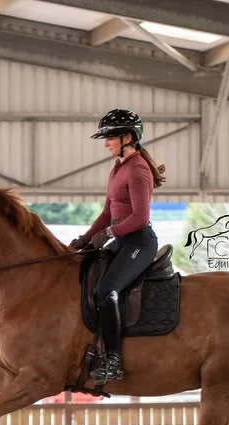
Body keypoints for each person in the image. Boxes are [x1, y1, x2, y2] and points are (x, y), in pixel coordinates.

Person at [69, 108, 166, 384]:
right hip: (121, 240)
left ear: (127, 137)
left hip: (139, 243)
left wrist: (110, 232)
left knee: (106, 291)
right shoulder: (117, 168)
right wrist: (87, 237)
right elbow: (106, 213)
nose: (105, 143)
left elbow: (140, 217)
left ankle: (114, 361)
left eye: (109, 138)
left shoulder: (137, 170)